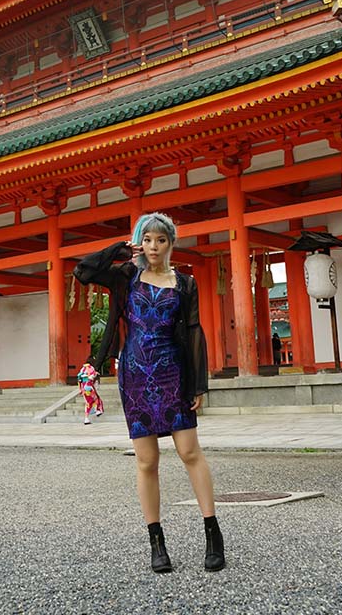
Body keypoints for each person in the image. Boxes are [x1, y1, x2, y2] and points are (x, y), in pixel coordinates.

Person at [73, 212, 225, 574]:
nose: (153, 247)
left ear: (171, 243)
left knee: (189, 451)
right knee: (147, 461)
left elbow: (194, 333)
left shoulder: (185, 283)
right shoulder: (127, 276)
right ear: (140, 242)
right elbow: (84, 271)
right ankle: (156, 541)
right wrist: (118, 249)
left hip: (172, 372)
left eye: (160, 240)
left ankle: (212, 534)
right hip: (135, 375)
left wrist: (197, 384)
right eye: (147, 239)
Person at [77, 358, 104, 425]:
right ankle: (97, 410)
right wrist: (95, 374)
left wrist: (80, 389)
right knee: (96, 399)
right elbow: (91, 376)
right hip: (89, 387)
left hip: (83, 388)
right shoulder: (91, 368)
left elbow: (79, 379)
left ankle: (86, 418)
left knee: (88, 403)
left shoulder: (82, 369)